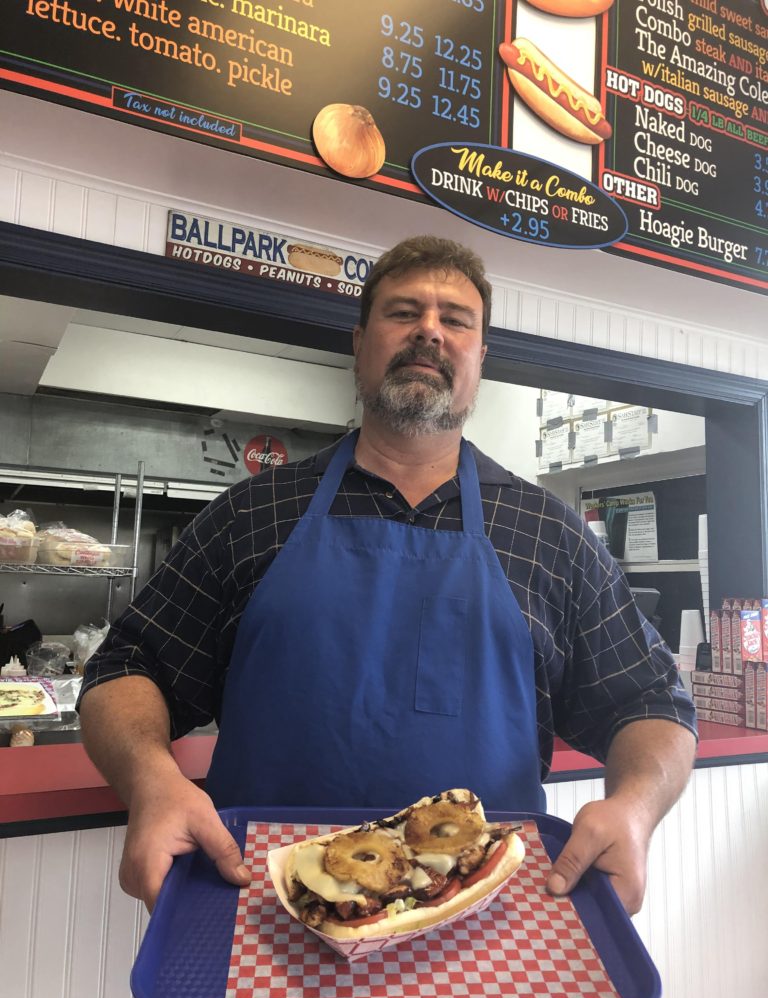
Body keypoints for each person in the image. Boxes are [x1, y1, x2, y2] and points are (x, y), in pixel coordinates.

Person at [78, 235, 697, 915]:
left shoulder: (550, 535)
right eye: (404, 312)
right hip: (266, 914)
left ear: (479, 359)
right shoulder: (252, 515)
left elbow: (651, 704)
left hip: (483, 924)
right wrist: (152, 782)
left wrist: (634, 809)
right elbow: (127, 667)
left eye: (455, 320)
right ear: (360, 342)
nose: (430, 330)